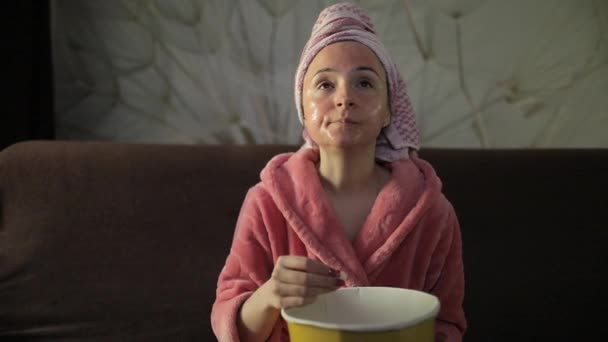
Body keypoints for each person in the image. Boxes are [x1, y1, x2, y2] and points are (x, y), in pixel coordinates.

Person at [211, 2, 466, 341]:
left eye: (364, 83)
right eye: (325, 85)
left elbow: (448, 325)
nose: (344, 98)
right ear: (302, 106)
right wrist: (269, 296)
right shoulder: (267, 203)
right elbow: (230, 325)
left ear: (389, 110)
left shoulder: (433, 212)